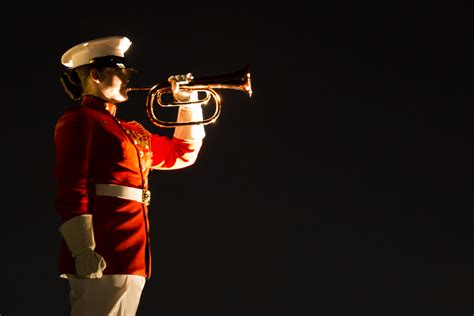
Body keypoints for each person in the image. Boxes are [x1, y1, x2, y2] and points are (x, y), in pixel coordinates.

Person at [54, 35, 206, 316]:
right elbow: (71, 187)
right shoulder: (79, 119)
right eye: (119, 71)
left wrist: (188, 103)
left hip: (132, 252)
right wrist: (82, 249)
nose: (127, 77)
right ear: (97, 75)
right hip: (101, 248)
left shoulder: (129, 129)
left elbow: (183, 153)